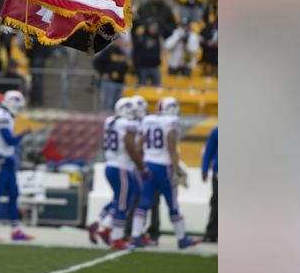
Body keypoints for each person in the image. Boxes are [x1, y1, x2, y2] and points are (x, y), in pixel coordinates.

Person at [131, 97, 198, 249]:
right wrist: (176, 167)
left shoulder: (148, 120)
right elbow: (170, 144)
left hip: (148, 164)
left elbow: (139, 144)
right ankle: (181, 239)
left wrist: (142, 164)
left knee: (144, 201)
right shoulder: (171, 121)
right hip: (164, 167)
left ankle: (135, 236)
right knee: (172, 203)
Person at [89, 97, 143, 248]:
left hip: (111, 165)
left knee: (121, 198)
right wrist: (142, 166)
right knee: (122, 202)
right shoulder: (127, 124)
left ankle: (103, 225)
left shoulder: (110, 121)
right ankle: (117, 238)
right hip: (122, 167)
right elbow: (130, 146)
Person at [0, 90, 33, 241]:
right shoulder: (0, 115)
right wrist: (24, 131)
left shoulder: (7, 115)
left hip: (7, 159)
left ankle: (15, 229)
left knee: (14, 193)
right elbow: (9, 140)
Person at [132, 19, 163, 87]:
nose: (154, 28)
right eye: (152, 26)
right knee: (142, 88)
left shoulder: (157, 37)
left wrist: (158, 61)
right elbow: (136, 52)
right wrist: (136, 66)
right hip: (143, 67)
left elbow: (159, 51)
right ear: (147, 27)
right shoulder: (140, 37)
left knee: (157, 88)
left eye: (155, 27)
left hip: (155, 66)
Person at [201, 125, 217, 243]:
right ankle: (211, 233)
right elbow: (208, 151)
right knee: (216, 202)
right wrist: (204, 169)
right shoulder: (216, 131)